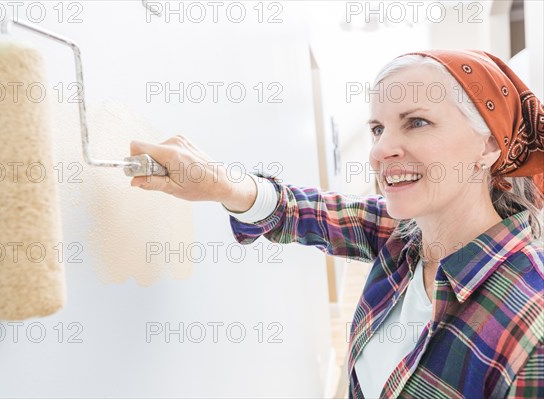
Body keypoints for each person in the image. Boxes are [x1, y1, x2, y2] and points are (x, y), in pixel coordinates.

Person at [129, 49, 544, 398]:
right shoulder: (402, 237)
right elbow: (302, 211)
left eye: (417, 122)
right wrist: (218, 182)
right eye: (378, 128)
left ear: (489, 144)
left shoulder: (532, 325)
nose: (380, 149)